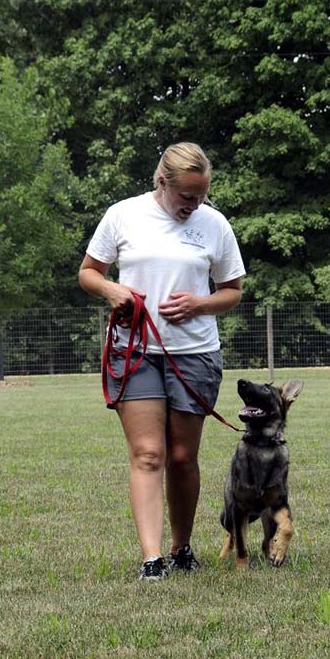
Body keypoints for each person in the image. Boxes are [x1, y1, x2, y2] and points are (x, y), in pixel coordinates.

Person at [79, 142, 245, 581]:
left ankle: (182, 547)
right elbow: (89, 271)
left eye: (201, 195)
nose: (194, 205)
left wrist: (199, 304)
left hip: (194, 354)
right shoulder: (124, 214)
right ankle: (152, 558)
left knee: (182, 455)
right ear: (161, 182)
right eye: (186, 196)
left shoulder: (215, 224)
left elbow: (233, 290)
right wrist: (113, 291)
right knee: (148, 454)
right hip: (134, 351)